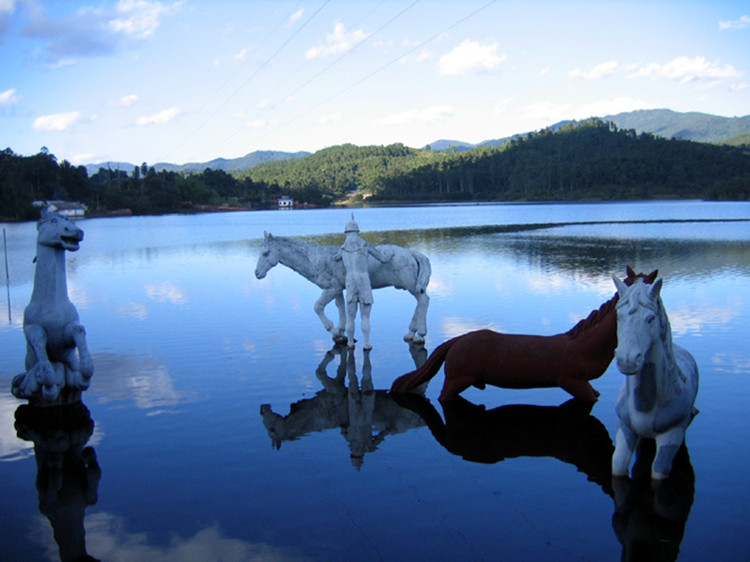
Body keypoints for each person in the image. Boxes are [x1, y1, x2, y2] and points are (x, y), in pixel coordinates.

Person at [335, 215, 390, 349]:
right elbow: (383, 259)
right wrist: (390, 255)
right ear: (357, 232)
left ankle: (350, 342)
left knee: (350, 316)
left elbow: (335, 258)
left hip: (350, 281)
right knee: (365, 316)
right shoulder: (365, 245)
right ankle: (366, 343)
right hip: (363, 280)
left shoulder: (342, 249)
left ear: (346, 233)